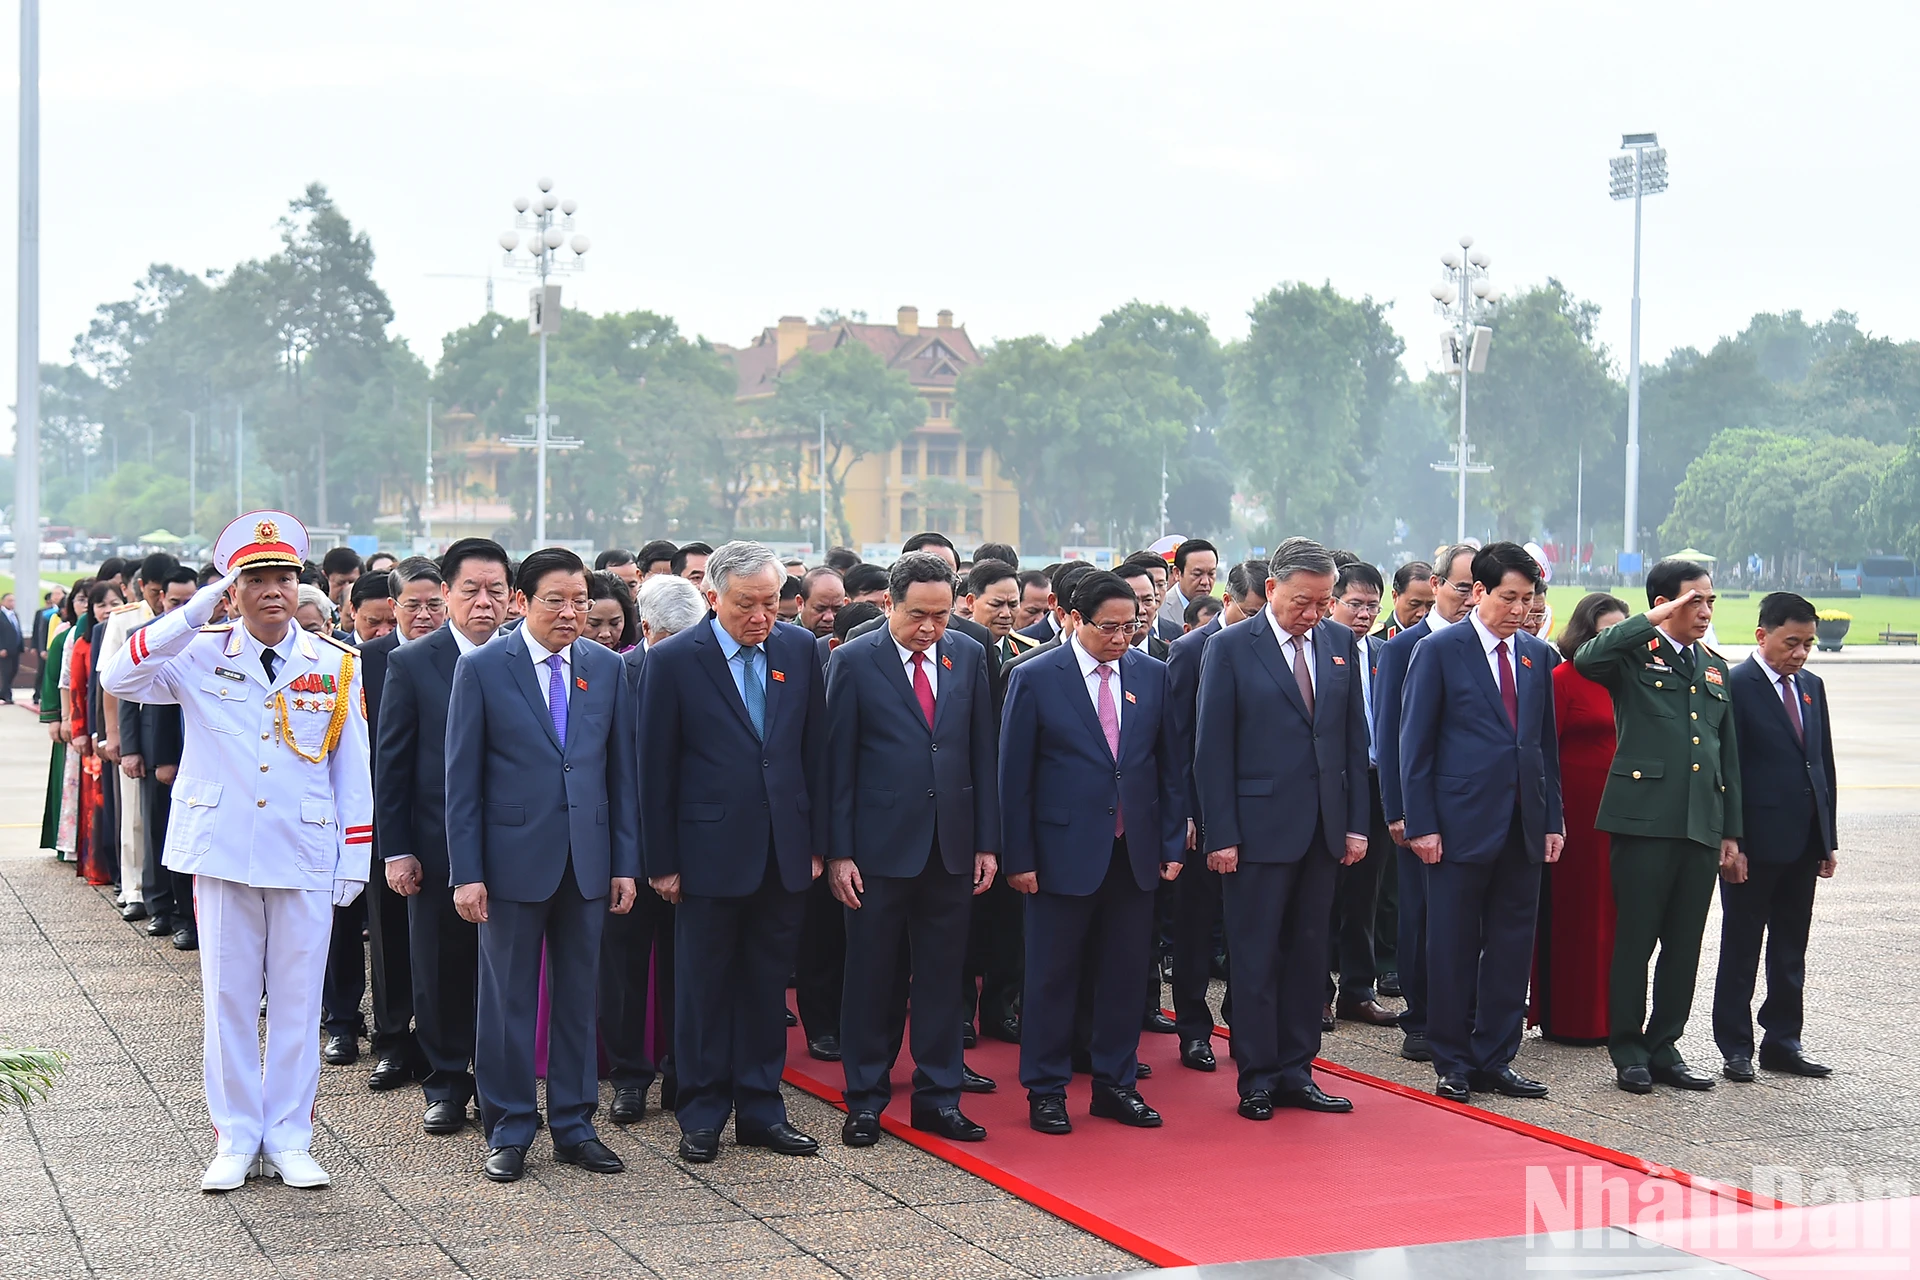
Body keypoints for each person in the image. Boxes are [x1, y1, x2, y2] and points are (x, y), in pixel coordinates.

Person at [101, 511, 371, 1192]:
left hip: (305, 850)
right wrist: (190, 613)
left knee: (297, 1000)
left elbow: (352, 771)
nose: (273, 589)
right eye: (256, 578)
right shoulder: (197, 652)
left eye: (284, 576)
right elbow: (119, 678)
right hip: (223, 849)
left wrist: (354, 858)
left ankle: (288, 1135)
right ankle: (234, 1135)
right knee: (226, 998)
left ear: (299, 584)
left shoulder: (335, 664)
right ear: (233, 587)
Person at [446, 547, 639, 1182]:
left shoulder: (605, 668)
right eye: (556, 600)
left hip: (586, 860)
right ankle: (508, 1126)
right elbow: (462, 781)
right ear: (523, 602)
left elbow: (620, 775)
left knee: (579, 997)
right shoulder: (482, 669)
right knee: (506, 999)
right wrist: (466, 872)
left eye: (580, 600)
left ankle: (575, 1124)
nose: (571, 612)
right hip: (508, 863)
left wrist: (624, 863)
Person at [638, 540, 829, 1164]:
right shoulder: (674, 660)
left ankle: (761, 1108)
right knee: (703, 988)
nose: (761, 616)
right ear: (713, 598)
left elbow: (812, 755)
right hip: (705, 852)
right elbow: (655, 768)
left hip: (784, 849)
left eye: (772, 603)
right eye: (746, 604)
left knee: (766, 986)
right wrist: (661, 860)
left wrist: (818, 843)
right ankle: (701, 1112)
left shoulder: (800, 650)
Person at [1001, 571, 1184, 1135]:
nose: (1121, 638)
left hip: (1133, 851)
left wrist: (1172, 840)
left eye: (1130, 626)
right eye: (1109, 627)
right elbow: (1015, 776)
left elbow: (1171, 767)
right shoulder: (1035, 677)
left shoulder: (1153, 676)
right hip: (1059, 852)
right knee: (1052, 977)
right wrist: (1019, 857)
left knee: (1125, 975)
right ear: (1075, 620)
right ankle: (1047, 1089)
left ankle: (1115, 1084)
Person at [829, 553, 1000, 1146]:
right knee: (872, 975)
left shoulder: (969, 655)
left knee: (943, 977)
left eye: (942, 615)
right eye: (918, 615)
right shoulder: (853, 661)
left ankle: (939, 1096)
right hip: (877, 850)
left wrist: (986, 841)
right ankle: (866, 1097)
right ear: (891, 605)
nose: (930, 628)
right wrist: (840, 852)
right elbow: (838, 764)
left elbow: (981, 753)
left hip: (950, 846)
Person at [1196, 538, 1369, 1121]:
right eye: (1302, 601)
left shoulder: (1341, 643)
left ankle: (1299, 1069)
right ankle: (1257, 1076)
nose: (1313, 613)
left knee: (1308, 955)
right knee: (1254, 956)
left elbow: (1352, 742)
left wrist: (1355, 825)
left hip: (1323, 827)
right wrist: (1220, 833)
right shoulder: (1230, 648)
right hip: (1256, 830)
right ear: (1271, 589)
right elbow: (1211, 750)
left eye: (1324, 602)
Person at [1399, 542, 1562, 1102]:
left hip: (1523, 825)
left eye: (1528, 599)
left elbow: (1544, 747)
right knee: (1452, 946)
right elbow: (1414, 745)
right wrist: (1420, 823)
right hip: (1457, 824)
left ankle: (1497, 1056)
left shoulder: (1537, 657)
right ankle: (1452, 1060)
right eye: (1509, 598)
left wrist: (1551, 820)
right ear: (1478, 593)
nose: (1520, 610)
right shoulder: (1440, 651)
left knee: (1513, 946)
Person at [1573, 557, 1741, 1095]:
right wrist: (1650, 620)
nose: (1706, 610)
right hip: (1643, 821)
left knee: (1685, 944)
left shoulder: (1715, 668)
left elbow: (1726, 758)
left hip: (1699, 824)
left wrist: (1731, 834)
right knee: (1636, 939)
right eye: (1696, 600)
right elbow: (1585, 659)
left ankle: (1665, 1043)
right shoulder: (1631, 655)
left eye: (1711, 600)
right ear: (1665, 603)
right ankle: (1628, 1048)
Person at [376, 538, 511, 1137]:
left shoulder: (524, 656)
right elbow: (394, 764)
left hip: (513, 841)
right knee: (439, 965)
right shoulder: (413, 662)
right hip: (434, 846)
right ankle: (447, 1082)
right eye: (470, 591)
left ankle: (499, 1081)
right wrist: (397, 848)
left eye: (496, 591)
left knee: (505, 969)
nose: (484, 603)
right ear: (448, 595)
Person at [323, 558, 443, 1081]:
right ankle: (394, 1038)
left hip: (452, 818)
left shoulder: (475, 655)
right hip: (387, 812)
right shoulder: (363, 661)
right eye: (411, 605)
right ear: (392, 608)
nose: (423, 615)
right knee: (389, 931)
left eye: (433, 604)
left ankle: (447, 1039)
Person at [1714, 592, 1836, 1082]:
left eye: (1808, 644)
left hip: (1803, 841)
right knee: (1741, 946)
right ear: (1762, 635)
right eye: (1792, 642)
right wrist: (1732, 841)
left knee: (1790, 947)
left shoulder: (1811, 686)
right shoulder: (1734, 685)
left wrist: (1827, 838)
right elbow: (1727, 769)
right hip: (1754, 843)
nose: (1800, 653)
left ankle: (1783, 1040)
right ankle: (1735, 1046)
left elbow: (1821, 763)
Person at [600, 572, 703, 1129]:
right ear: (645, 631)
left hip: (694, 850)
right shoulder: (618, 674)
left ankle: (683, 1072)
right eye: (673, 638)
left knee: (686, 968)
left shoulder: (709, 667)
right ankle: (629, 1078)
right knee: (621, 972)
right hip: (628, 851)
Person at [1373, 544, 1477, 1062]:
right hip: (1422, 805)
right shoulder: (1405, 646)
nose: (1469, 598)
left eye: (1477, 588)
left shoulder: (1493, 645)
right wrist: (1397, 808)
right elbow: (1392, 734)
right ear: (1435, 585)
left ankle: (1466, 1012)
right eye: (1461, 587)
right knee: (1419, 913)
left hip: (1477, 808)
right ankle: (1419, 1015)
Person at [1166, 559, 1265, 1071]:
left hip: (1254, 812)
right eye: (1249, 611)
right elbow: (1180, 740)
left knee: (1247, 926)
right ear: (1228, 601)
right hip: (1201, 815)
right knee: (1195, 926)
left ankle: (1242, 1019)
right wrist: (1183, 811)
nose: (1257, 620)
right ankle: (1192, 1027)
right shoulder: (1190, 650)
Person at [1532, 592, 1630, 1043]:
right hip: (1579, 810)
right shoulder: (1563, 678)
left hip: (1628, 810)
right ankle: (1572, 1018)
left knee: (1619, 914)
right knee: (1577, 913)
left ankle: (1615, 1017)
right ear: (1585, 635)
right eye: (1604, 632)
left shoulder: (1634, 679)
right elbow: (1543, 751)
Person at [1324, 560, 1398, 1030]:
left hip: (1373, 784)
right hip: (1329, 786)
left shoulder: (1380, 653)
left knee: (1365, 894)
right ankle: (1318, 993)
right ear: (1332, 602)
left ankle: (1357, 989)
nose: (1364, 614)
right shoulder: (1317, 652)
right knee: (1323, 894)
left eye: (1373, 605)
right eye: (1354, 603)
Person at [119, 567, 198, 946]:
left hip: (202, 753)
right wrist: (135, 750)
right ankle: (160, 907)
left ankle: (187, 915)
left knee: (189, 836)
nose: (182, 607)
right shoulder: (145, 638)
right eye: (174, 601)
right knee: (157, 829)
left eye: (190, 601)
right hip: (160, 753)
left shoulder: (210, 639)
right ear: (159, 599)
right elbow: (126, 700)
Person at [1158, 538, 1219, 635]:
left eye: (1211, 574)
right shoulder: (1159, 610)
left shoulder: (1221, 612)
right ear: (1177, 573)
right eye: (1197, 574)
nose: (1205, 582)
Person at [1378, 561, 1435, 639]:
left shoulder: (1443, 639)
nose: (1422, 613)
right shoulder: (1376, 641)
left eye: (1430, 605)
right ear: (1395, 597)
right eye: (1414, 604)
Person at [585, 570, 638, 650]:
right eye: (594, 624)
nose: (605, 634)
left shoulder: (636, 659)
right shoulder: (564, 659)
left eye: (614, 623)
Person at [346, 572, 396, 643]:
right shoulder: (338, 653)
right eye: (373, 622)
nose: (384, 633)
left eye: (394, 622)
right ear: (353, 610)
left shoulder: (413, 652)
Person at [798, 567, 846, 639]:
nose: (829, 618)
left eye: (837, 609)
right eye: (820, 609)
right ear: (800, 603)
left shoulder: (852, 641)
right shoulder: (784, 641)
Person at [0, 589, 20, 703]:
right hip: (4, 650)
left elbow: (17, 631)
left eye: (13, 601)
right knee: (6, 672)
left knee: (14, 670)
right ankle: (7, 695)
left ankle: (3, 693)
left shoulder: (14, 615)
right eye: (9, 600)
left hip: (15, 649)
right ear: (3, 602)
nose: (12, 603)